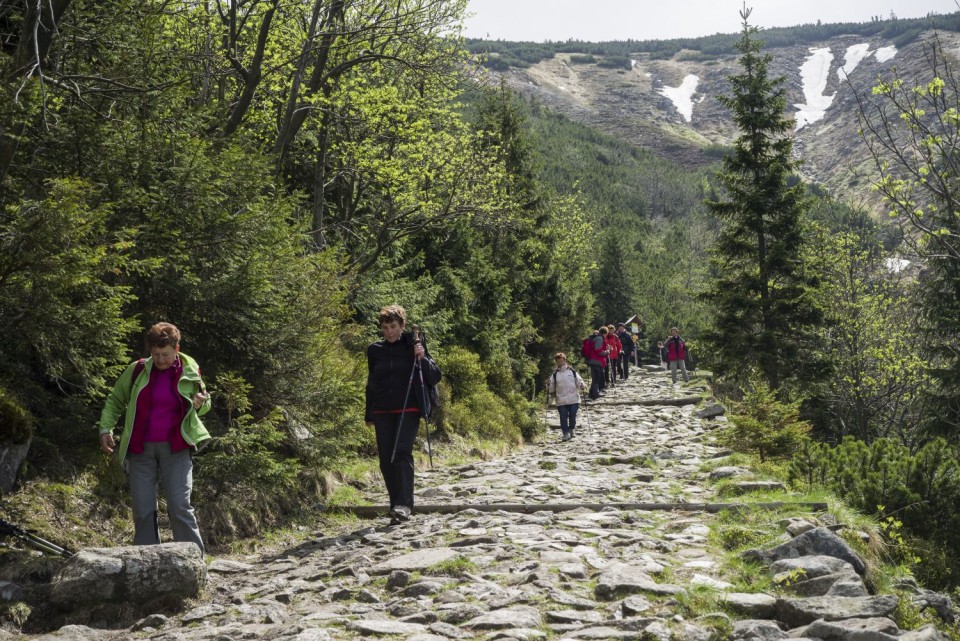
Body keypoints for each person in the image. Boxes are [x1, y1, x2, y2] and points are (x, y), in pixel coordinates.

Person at [98, 322, 211, 555]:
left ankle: (194, 563)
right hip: (141, 450)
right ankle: (147, 566)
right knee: (143, 510)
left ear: (176, 348)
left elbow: (204, 402)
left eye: (166, 354)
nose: (160, 360)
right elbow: (115, 400)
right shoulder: (137, 370)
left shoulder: (189, 371)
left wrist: (201, 403)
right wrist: (105, 429)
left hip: (177, 448)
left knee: (180, 506)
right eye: (156, 354)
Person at [365, 305, 441, 523]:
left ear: (402, 326)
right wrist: (368, 413)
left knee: (401, 452)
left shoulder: (413, 344)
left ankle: (404, 504)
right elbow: (371, 382)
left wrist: (422, 357)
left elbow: (435, 376)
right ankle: (395, 504)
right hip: (381, 410)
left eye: (393, 326)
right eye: (386, 327)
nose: (389, 331)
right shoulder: (374, 350)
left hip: (408, 408)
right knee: (385, 459)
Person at [546, 353, 586, 441]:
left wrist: (582, 385)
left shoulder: (572, 371)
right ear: (556, 362)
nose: (560, 362)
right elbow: (551, 386)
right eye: (558, 361)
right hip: (561, 400)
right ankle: (565, 433)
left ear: (564, 360)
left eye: (561, 360)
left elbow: (579, 381)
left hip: (574, 399)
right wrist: (548, 386)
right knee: (563, 416)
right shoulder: (555, 374)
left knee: (572, 415)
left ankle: (571, 429)